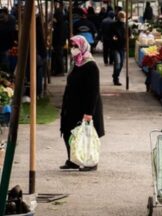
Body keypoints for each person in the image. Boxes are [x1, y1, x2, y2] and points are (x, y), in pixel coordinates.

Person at [60, 35, 104, 171]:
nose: (73, 49)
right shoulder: (76, 63)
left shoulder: (90, 65)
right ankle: (73, 159)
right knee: (69, 132)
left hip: (85, 106)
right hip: (72, 105)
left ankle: (90, 162)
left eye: (76, 47)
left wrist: (89, 112)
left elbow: (93, 91)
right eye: (72, 46)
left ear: (83, 47)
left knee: (86, 134)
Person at [111, 11, 126, 86]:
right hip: (115, 47)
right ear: (118, 17)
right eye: (122, 17)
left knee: (121, 64)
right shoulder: (113, 25)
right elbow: (111, 35)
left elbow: (128, 35)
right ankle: (115, 78)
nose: (123, 18)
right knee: (118, 63)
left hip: (122, 47)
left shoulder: (125, 25)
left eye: (123, 17)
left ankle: (115, 76)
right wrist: (114, 38)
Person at [52, 1, 67, 76]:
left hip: (58, 41)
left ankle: (60, 71)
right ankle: (58, 70)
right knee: (58, 55)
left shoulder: (59, 25)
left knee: (58, 55)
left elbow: (58, 34)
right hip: (60, 41)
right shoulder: (62, 24)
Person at [0, 8, 16, 72]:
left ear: (6, 14)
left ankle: (6, 74)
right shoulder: (11, 19)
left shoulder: (11, 21)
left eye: (2, 16)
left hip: (6, 46)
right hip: (4, 45)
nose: (1, 18)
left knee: (5, 62)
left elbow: (10, 32)